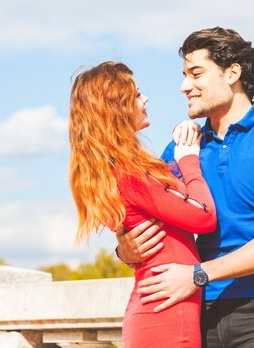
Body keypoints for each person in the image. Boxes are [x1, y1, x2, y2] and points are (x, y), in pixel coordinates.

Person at [116, 27, 254, 348]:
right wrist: (124, 250)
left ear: (232, 73)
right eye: (184, 75)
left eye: (196, 74)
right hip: (197, 310)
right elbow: (153, 222)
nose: (185, 86)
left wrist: (198, 275)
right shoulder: (181, 150)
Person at [68, 62, 216, 348]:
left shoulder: (116, 171)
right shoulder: (131, 173)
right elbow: (204, 216)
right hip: (167, 316)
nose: (145, 99)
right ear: (116, 108)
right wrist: (188, 158)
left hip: (157, 311)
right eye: (136, 95)